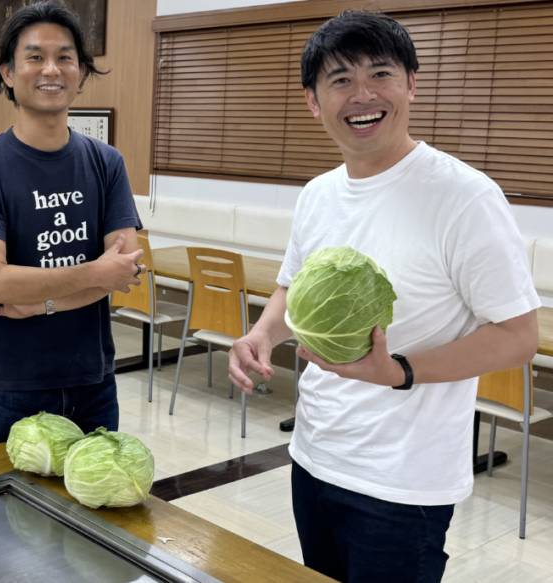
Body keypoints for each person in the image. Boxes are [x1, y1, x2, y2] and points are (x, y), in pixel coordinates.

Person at [227, 10, 539, 583]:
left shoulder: (464, 197)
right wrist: (261, 334)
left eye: (381, 74)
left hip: (402, 485)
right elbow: (291, 287)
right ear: (313, 102)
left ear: (412, 84)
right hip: (313, 458)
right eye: (341, 79)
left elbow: (519, 338)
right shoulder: (319, 194)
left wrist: (397, 371)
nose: (362, 94)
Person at [0, 2, 145, 449]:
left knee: (90, 514)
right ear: (7, 74)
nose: (51, 69)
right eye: (35, 57)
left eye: (65, 57)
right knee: (2, 518)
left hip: (93, 383)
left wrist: (41, 304)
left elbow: (123, 270)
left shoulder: (106, 163)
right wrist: (94, 273)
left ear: (81, 72)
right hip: (12, 386)